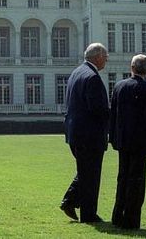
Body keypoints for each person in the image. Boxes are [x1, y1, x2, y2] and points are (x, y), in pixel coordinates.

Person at [109, 54, 146, 229]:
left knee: (122, 178)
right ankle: (131, 219)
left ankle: (117, 216)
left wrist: (113, 138)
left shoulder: (119, 86)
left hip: (123, 140)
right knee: (136, 181)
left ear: (131, 68)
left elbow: (113, 116)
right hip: (139, 142)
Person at [60, 43, 110, 223]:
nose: (107, 59)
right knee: (91, 175)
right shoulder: (92, 77)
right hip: (90, 135)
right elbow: (98, 110)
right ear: (97, 57)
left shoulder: (76, 73)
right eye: (105, 56)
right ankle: (88, 214)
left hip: (75, 133)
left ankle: (70, 201)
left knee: (85, 171)